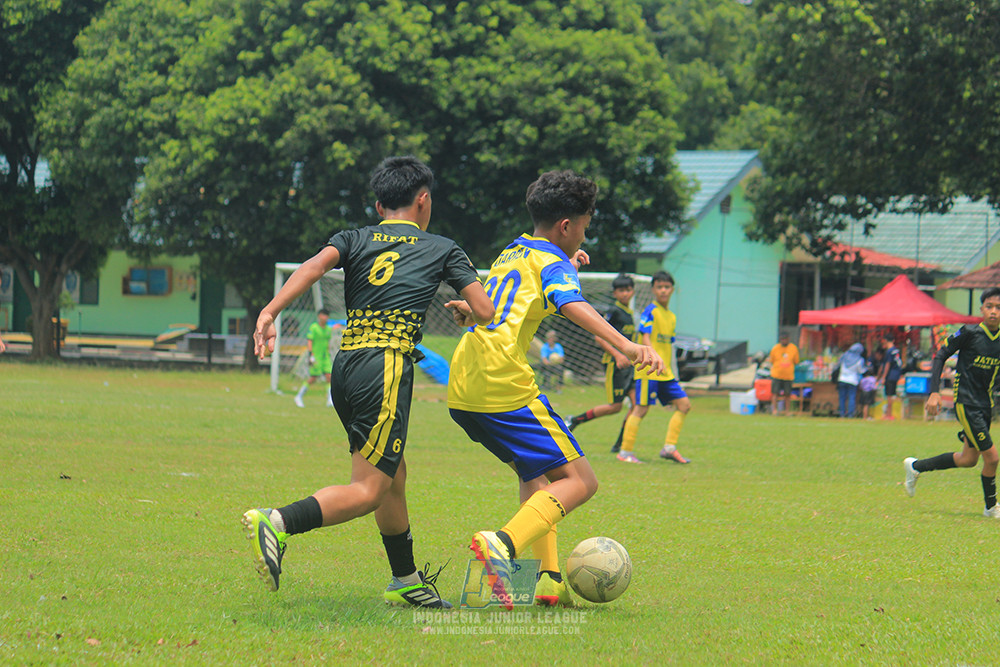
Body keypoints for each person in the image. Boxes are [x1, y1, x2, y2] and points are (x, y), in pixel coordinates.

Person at [243, 156, 494, 608]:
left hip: (347, 364)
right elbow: (486, 310)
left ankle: (406, 579)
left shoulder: (354, 237)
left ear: (380, 206)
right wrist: (463, 309)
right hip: (387, 366)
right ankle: (277, 521)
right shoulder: (443, 247)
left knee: (393, 474)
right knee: (369, 488)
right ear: (424, 200)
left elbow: (314, 267)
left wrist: (269, 311)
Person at [446, 170, 662, 609]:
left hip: (464, 382)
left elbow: (500, 303)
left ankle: (548, 581)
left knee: (536, 475)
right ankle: (503, 545)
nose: (585, 232)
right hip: (503, 382)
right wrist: (627, 344)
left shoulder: (514, 252)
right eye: (584, 223)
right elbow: (570, 302)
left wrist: (468, 311)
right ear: (567, 225)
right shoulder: (553, 264)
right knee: (581, 481)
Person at [904, 287, 1000, 518]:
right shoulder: (969, 332)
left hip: (985, 406)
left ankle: (915, 467)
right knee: (993, 458)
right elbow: (940, 355)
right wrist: (934, 392)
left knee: (968, 459)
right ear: (981, 309)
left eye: (998, 307)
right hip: (966, 404)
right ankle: (991, 507)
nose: (994, 312)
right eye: (989, 307)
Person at [617, 271, 692, 464]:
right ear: (653, 290)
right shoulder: (650, 310)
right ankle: (625, 452)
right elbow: (645, 336)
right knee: (640, 409)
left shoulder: (671, 316)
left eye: (667, 287)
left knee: (684, 405)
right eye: (659, 287)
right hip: (649, 370)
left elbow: (670, 346)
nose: (663, 290)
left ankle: (669, 448)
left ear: (672, 290)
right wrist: (651, 355)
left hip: (666, 373)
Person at [566, 273, 637, 453]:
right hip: (615, 364)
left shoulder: (630, 314)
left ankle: (620, 443)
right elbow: (599, 337)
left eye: (628, 290)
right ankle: (575, 420)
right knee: (615, 407)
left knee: (637, 405)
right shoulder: (614, 311)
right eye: (621, 290)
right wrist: (617, 355)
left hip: (628, 366)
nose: (625, 294)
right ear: (614, 293)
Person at [294, 309, 334, 408]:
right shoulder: (314, 327)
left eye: (326, 316)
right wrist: (311, 355)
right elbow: (310, 341)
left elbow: (328, 343)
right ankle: (299, 396)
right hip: (316, 356)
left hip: (325, 357)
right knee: (313, 378)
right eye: (323, 315)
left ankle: (330, 399)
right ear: (319, 316)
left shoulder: (328, 329)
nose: (325, 318)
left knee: (329, 376)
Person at [768, 332, 799, 415]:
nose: (784, 341)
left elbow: (796, 361)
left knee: (787, 394)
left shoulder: (793, 348)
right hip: (776, 374)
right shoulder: (775, 348)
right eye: (782, 339)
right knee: (775, 393)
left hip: (788, 376)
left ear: (788, 339)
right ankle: (774, 410)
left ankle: (787, 411)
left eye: (785, 339)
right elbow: (772, 360)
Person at [835, 343, 867, 418]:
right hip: (852, 380)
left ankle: (842, 413)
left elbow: (838, 365)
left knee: (842, 397)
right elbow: (860, 370)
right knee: (851, 397)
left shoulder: (844, 356)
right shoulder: (859, 359)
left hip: (842, 379)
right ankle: (850, 414)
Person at [877, 335, 903, 420]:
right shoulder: (896, 350)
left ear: (885, 340)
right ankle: (889, 414)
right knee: (891, 394)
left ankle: (888, 415)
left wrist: (883, 377)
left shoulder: (889, 351)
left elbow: (887, 364)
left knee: (889, 395)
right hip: (896, 374)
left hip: (890, 375)